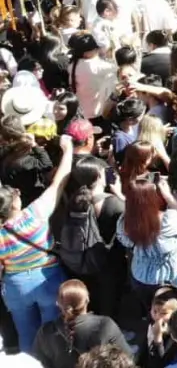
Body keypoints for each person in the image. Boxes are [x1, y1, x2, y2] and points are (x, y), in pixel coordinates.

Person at [0, 136, 75, 353]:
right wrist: (67, 149)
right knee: (52, 330)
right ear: (15, 202)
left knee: (25, 334)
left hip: (15, 285)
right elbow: (59, 180)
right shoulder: (36, 213)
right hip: (48, 278)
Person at [32, 279, 129, 368]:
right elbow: (127, 358)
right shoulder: (105, 325)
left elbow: (38, 363)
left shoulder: (46, 331)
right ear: (87, 300)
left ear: (58, 303)